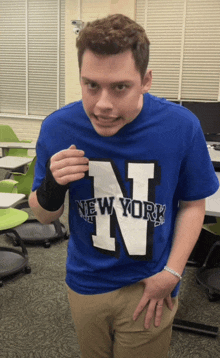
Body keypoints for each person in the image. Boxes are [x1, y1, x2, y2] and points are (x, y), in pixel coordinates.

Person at [28, 14, 219, 358]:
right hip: (86, 282)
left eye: (119, 87)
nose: (102, 104)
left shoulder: (181, 127)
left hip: (150, 282)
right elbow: (43, 216)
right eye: (91, 85)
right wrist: (53, 186)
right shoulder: (59, 127)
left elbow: (193, 204)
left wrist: (173, 273)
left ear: (145, 80)